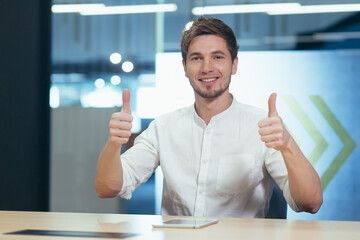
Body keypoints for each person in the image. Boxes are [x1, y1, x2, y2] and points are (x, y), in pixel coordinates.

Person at [95, 16, 323, 217]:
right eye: (196, 58)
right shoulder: (164, 126)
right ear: (184, 67)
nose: (207, 68)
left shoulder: (263, 127)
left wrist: (288, 145)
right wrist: (114, 144)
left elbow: (311, 203)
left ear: (234, 65)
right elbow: (107, 188)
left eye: (218, 57)